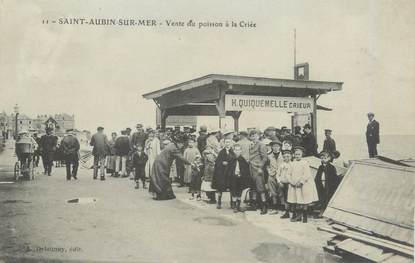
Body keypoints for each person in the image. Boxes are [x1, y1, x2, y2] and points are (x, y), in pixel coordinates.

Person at [149, 133, 190, 200]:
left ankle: (164, 194)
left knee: (159, 178)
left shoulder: (172, 145)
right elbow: (181, 158)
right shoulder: (174, 148)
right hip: (161, 164)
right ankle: (162, 195)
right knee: (162, 179)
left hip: (159, 162)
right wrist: (190, 163)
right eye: (182, 144)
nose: (182, 146)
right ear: (179, 143)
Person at [287, 146, 318, 223]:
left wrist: (301, 182)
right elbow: (288, 174)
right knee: (295, 199)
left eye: (299, 154)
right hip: (294, 184)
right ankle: (297, 215)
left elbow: (307, 174)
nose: (297, 156)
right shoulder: (291, 163)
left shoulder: (305, 163)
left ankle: (304, 215)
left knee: (304, 200)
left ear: (302, 155)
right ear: (294, 155)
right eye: (296, 154)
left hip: (303, 185)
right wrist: (291, 182)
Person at [249, 129, 268, 215]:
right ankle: (254, 205)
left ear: (259, 136)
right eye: (252, 136)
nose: (253, 137)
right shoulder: (251, 145)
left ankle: (264, 206)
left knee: (260, 187)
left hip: (257, 168)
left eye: (255, 135)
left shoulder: (261, 145)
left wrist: (260, 167)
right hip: (251, 168)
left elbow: (264, 158)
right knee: (253, 187)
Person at [212, 137, 235, 209]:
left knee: (232, 187)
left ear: (231, 143)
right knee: (220, 187)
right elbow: (217, 162)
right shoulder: (221, 152)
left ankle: (232, 203)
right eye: (226, 142)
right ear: (224, 143)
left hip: (230, 172)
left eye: (229, 142)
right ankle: (219, 202)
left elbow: (235, 161)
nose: (227, 144)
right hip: (223, 173)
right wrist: (222, 162)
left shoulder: (233, 152)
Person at [315, 151, 339, 216]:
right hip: (321, 184)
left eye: (325, 158)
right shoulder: (320, 167)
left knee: (328, 197)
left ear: (329, 158)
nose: (323, 159)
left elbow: (334, 178)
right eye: (322, 158)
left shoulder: (331, 167)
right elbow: (317, 177)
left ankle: (327, 211)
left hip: (328, 185)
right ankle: (322, 210)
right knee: (322, 197)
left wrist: (332, 185)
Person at [228, 144, 251, 213]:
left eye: (238, 150)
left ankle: (238, 205)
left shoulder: (243, 160)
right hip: (233, 177)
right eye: (236, 150)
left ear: (241, 151)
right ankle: (234, 205)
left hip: (241, 177)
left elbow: (245, 170)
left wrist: (242, 174)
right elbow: (229, 169)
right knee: (234, 191)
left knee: (240, 191)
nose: (237, 151)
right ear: (234, 151)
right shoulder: (231, 159)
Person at [266, 140, 283, 214]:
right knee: (273, 191)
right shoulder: (269, 156)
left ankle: (282, 206)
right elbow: (266, 165)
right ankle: (274, 206)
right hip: (272, 175)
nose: (275, 148)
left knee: (281, 190)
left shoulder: (282, 155)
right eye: (274, 146)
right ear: (272, 147)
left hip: (281, 175)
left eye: (277, 146)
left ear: (280, 147)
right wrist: (269, 171)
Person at [276, 150, 293, 219]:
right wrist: (279, 182)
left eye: (288, 156)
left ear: (291, 156)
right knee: (285, 198)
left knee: (291, 198)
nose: (286, 158)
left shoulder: (293, 164)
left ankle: (294, 212)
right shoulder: (281, 165)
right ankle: (287, 212)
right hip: (283, 184)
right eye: (285, 156)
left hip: (291, 184)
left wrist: (292, 182)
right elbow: (278, 174)